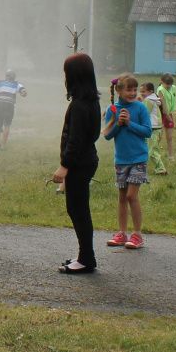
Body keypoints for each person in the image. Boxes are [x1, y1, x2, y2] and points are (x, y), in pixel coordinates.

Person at [55, 54, 102, 274]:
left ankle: (86, 259)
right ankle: (85, 255)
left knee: (78, 210)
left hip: (79, 163)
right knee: (78, 209)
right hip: (87, 160)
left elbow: (75, 140)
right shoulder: (90, 100)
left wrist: (64, 166)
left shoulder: (80, 105)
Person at [103, 74, 153, 250]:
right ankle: (122, 233)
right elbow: (107, 135)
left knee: (132, 196)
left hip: (138, 158)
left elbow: (148, 132)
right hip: (121, 160)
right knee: (122, 198)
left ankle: (137, 234)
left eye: (134, 89)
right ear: (118, 90)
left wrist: (129, 123)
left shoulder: (140, 108)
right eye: (128, 90)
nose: (132, 93)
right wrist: (118, 123)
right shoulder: (112, 109)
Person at [0, 70, 29, 148]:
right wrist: (23, 93)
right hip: (9, 106)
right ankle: (3, 146)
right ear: (14, 77)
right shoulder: (16, 84)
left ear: (6, 76)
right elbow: (23, 92)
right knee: (7, 125)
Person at [139, 82, 167, 175]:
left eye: (143, 91)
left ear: (150, 91)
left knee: (150, 150)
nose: (141, 93)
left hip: (152, 128)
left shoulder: (148, 100)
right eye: (140, 91)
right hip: (156, 128)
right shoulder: (153, 98)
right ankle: (160, 169)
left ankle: (140, 168)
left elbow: (144, 113)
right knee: (154, 150)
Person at [155, 73, 176, 161]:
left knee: (170, 137)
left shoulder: (174, 88)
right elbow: (164, 108)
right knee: (158, 137)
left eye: (170, 84)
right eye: (167, 84)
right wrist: (170, 119)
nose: (169, 86)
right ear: (161, 81)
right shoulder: (160, 90)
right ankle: (154, 154)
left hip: (169, 114)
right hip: (160, 114)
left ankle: (170, 156)